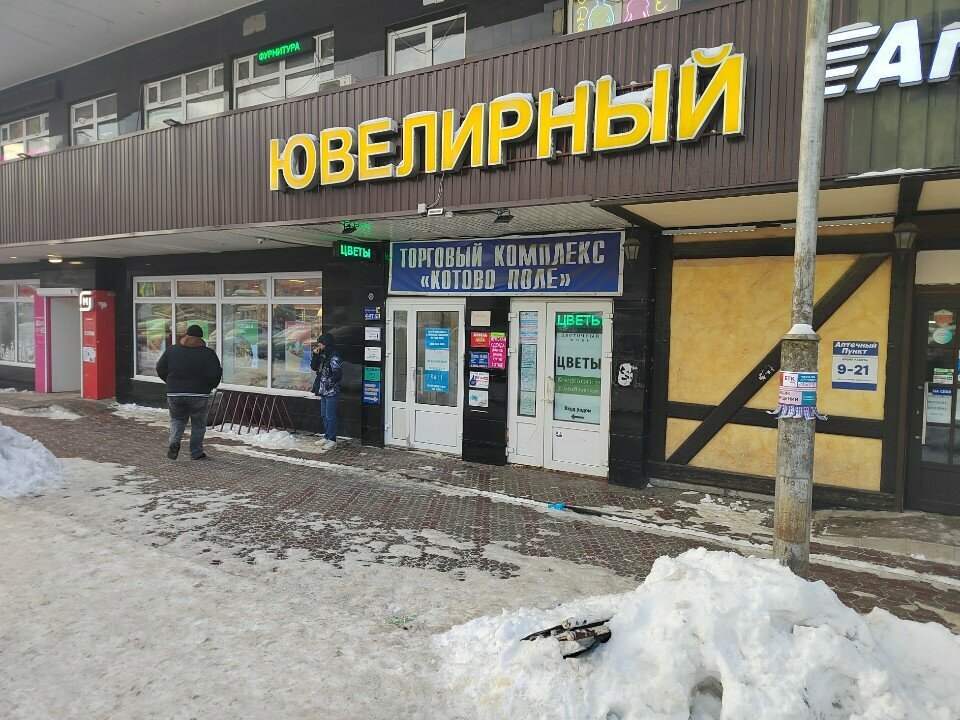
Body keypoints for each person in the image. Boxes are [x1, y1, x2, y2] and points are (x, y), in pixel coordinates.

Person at [156, 324, 223, 461]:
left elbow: (160, 368)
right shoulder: (208, 353)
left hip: (175, 393)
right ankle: (196, 452)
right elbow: (216, 372)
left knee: (177, 419)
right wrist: (210, 386)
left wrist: (170, 382)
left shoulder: (172, 350)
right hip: (199, 394)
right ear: (201, 338)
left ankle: (174, 443)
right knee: (198, 423)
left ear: (186, 335)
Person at [310, 331, 342, 450]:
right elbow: (314, 367)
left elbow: (337, 375)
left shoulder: (334, 356)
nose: (319, 345)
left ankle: (332, 440)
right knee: (324, 415)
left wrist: (328, 384)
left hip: (331, 391)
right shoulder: (323, 354)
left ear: (326, 344)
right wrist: (315, 355)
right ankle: (327, 436)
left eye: (321, 344)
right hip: (322, 390)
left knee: (330, 416)